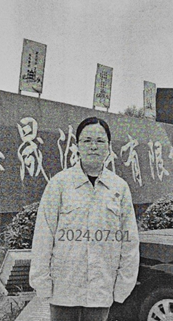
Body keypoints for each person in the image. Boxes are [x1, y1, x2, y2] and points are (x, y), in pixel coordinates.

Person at [29, 116, 139, 321]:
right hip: (64, 288)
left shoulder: (119, 187)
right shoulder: (60, 184)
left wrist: (123, 285)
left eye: (100, 141)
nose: (93, 146)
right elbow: (44, 234)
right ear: (77, 146)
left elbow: (129, 241)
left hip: (101, 288)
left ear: (108, 147)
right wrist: (42, 281)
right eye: (87, 140)